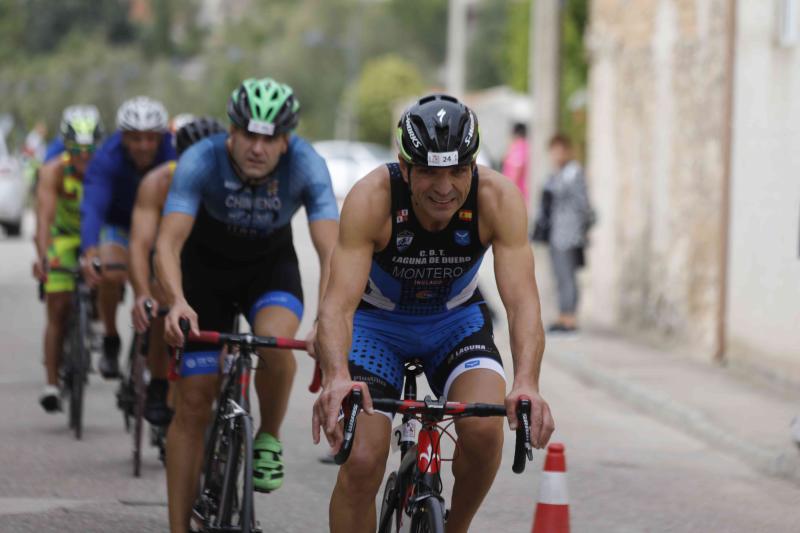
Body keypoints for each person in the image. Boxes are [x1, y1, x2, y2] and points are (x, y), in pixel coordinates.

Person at [312, 94, 555, 533]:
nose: (444, 187)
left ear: (473, 163)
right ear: (405, 168)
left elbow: (522, 303)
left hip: (454, 323)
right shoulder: (372, 198)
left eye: (458, 170)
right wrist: (334, 376)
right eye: (428, 171)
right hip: (376, 327)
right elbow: (338, 303)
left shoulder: (498, 198)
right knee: (363, 459)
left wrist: (527, 383)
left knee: (483, 431)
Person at [156, 77, 339, 531]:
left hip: (269, 270)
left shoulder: (306, 165)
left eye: (270, 138)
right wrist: (176, 301)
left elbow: (332, 251)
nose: (258, 148)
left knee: (277, 345)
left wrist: (326, 318)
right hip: (204, 276)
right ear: (231, 133)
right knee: (194, 406)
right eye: (249, 136)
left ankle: (269, 437)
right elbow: (168, 242)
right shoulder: (201, 160)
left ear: (285, 141)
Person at [129, 117, 225, 427]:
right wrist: (143, 294)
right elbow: (141, 245)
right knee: (162, 301)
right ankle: (158, 384)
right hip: (170, 256)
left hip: (211, 261)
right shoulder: (157, 183)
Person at [80, 96, 175, 379]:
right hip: (119, 223)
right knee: (109, 273)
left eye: (150, 138)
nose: (143, 145)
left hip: (157, 225)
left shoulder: (172, 154)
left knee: (162, 291)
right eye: (135, 138)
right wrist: (90, 250)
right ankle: (110, 338)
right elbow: (94, 207)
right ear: (123, 137)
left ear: (161, 137)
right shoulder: (106, 159)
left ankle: (156, 364)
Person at [32, 105, 103, 412]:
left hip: (94, 239)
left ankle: (96, 319)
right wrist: (43, 257)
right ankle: (51, 383)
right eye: (76, 149)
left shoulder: (105, 171)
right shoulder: (54, 171)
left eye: (89, 150)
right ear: (66, 145)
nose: (84, 156)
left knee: (106, 271)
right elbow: (44, 220)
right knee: (57, 307)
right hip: (63, 238)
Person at [539, 133, 594, 334]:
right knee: (560, 276)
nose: (556, 155)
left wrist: (583, 230)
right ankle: (563, 316)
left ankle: (570, 319)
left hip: (569, 234)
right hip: (555, 234)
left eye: (560, 150)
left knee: (567, 276)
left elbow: (584, 205)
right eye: (553, 151)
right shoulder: (556, 174)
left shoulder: (573, 173)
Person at [501, 121, 530, 206]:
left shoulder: (519, 146)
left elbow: (517, 169)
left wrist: (508, 191)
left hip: (515, 193)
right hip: (516, 192)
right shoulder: (520, 146)